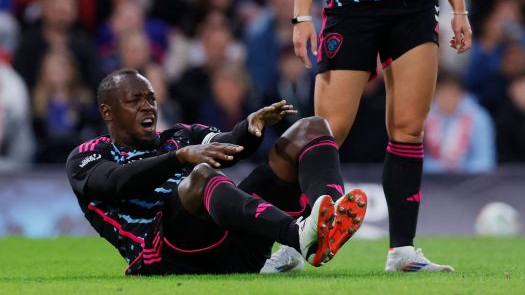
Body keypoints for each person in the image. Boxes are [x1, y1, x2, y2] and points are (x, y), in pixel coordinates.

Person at [66, 69, 367, 275]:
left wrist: (249, 128)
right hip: (168, 256)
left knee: (311, 128)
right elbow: (117, 183)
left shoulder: (181, 135)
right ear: (107, 112)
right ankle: (300, 236)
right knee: (201, 177)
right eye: (135, 101)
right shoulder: (88, 155)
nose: (148, 107)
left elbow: (228, 146)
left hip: (233, 245)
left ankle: (330, 218)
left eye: (151, 99)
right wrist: (179, 158)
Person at [291, 0, 471, 271]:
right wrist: (301, 16)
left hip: (413, 4)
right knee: (326, 132)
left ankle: (403, 250)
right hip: (351, 4)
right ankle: (295, 242)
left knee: (409, 129)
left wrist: (459, 10)